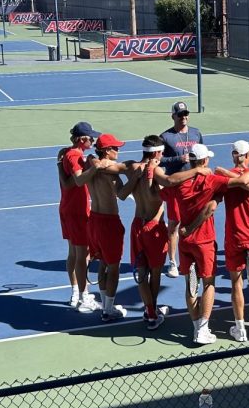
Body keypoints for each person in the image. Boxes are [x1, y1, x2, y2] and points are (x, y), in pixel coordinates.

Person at [158, 144, 227, 346]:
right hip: (203, 241)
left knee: (190, 283)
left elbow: (162, 184)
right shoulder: (212, 180)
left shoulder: (180, 184)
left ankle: (196, 325)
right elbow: (243, 182)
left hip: (185, 242)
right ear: (205, 161)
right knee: (208, 283)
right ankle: (203, 329)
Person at [213, 140, 249, 342]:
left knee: (236, 283)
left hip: (235, 236)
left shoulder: (223, 176)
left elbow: (216, 196)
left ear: (233, 156)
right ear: (248, 156)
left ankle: (239, 328)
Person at [118, 135, 170, 330]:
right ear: (157, 153)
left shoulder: (133, 168)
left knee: (141, 271)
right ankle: (152, 313)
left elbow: (122, 195)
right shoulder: (157, 170)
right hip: (154, 227)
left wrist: (136, 176)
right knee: (155, 273)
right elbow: (155, 198)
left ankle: (150, 311)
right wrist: (150, 175)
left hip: (137, 226)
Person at [79, 133, 131, 322]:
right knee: (114, 266)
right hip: (109, 222)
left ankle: (105, 304)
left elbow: (91, 160)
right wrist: (134, 180)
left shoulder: (91, 165)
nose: (118, 151)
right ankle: (108, 309)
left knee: (102, 262)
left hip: (93, 220)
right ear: (107, 151)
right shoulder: (112, 173)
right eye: (115, 148)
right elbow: (123, 195)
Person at [57, 121, 99, 312]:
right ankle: (84, 296)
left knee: (73, 253)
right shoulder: (74, 155)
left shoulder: (67, 153)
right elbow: (79, 179)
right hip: (77, 211)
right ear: (82, 139)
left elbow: (67, 184)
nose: (94, 140)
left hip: (67, 209)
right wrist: (95, 167)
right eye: (91, 138)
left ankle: (75, 292)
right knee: (82, 255)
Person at [159, 101, 204, 279]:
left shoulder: (196, 133)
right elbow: (159, 160)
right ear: (173, 116)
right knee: (174, 224)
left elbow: (203, 155)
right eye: (180, 114)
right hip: (176, 188)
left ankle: (194, 255)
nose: (183, 117)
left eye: (186, 114)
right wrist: (178, 159)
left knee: (196, 221)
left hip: (194, 186)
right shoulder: (165, 136)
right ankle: (172, 261)